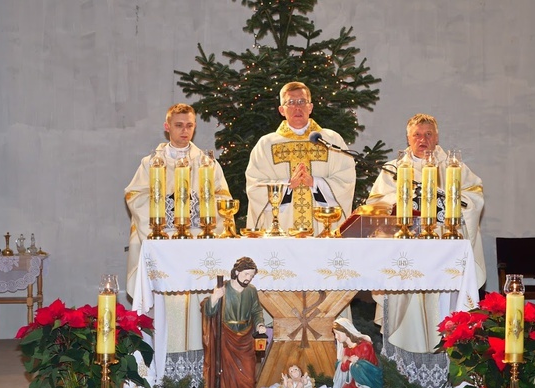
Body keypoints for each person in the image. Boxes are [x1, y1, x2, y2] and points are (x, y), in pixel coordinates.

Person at [366, 113, 486, 355]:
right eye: (417, 135)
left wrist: (441, 198)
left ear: (437, 137)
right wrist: (403, 201)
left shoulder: (454, 167)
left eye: (428, 134)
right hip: (404, 250)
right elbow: (376, 203)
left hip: (442, 251)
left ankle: (446, 357)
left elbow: (474, 198)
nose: (423, 139)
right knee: (403, 307)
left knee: (441, 307)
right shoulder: (394, 170)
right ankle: (400, 364)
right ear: (408, 138)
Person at [124, 103, 232, 354]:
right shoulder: (151, 163)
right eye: (179, 125)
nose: (185, 131)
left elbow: (223, 198)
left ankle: (200, 355)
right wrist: (168, 209)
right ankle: (161, 355)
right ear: (167, 127)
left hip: (197, 240)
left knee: (198, 302)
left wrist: (197, 209)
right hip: (164, 241)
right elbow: (134, 196)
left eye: (190, 125)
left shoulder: (207, 163)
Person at [245, 81, 356, 234]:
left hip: (322, 229)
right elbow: (255, 187)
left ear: (310, 107)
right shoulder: (266, 145)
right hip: (282, 227)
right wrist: (287, 185)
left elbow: (346, 180)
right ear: (281, 110)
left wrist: (316, 183)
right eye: (290, 102)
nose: (297, 107)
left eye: (302, 102)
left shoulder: (331, 140)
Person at [202, 257, 267, 388]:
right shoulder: (223, 288)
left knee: (248, 376)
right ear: (237, 272)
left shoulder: (251, 291)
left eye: (251, 276)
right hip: (226, 336)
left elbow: (256, 311)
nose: (248, 278)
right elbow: (209, 312)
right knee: (226, 376)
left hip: (245, 337)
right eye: (246, 274)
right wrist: (214, 298)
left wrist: (259, 324)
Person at [330, 318, 383, 388]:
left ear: (346, 331)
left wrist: (347, 362)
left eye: (337, 333)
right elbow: (342, 367)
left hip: (366, 386)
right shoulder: (346, 348)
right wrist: (349, 362)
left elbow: (364, 369)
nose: (336, 337)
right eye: (335, 334)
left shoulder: (365, 346)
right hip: (352, 384)